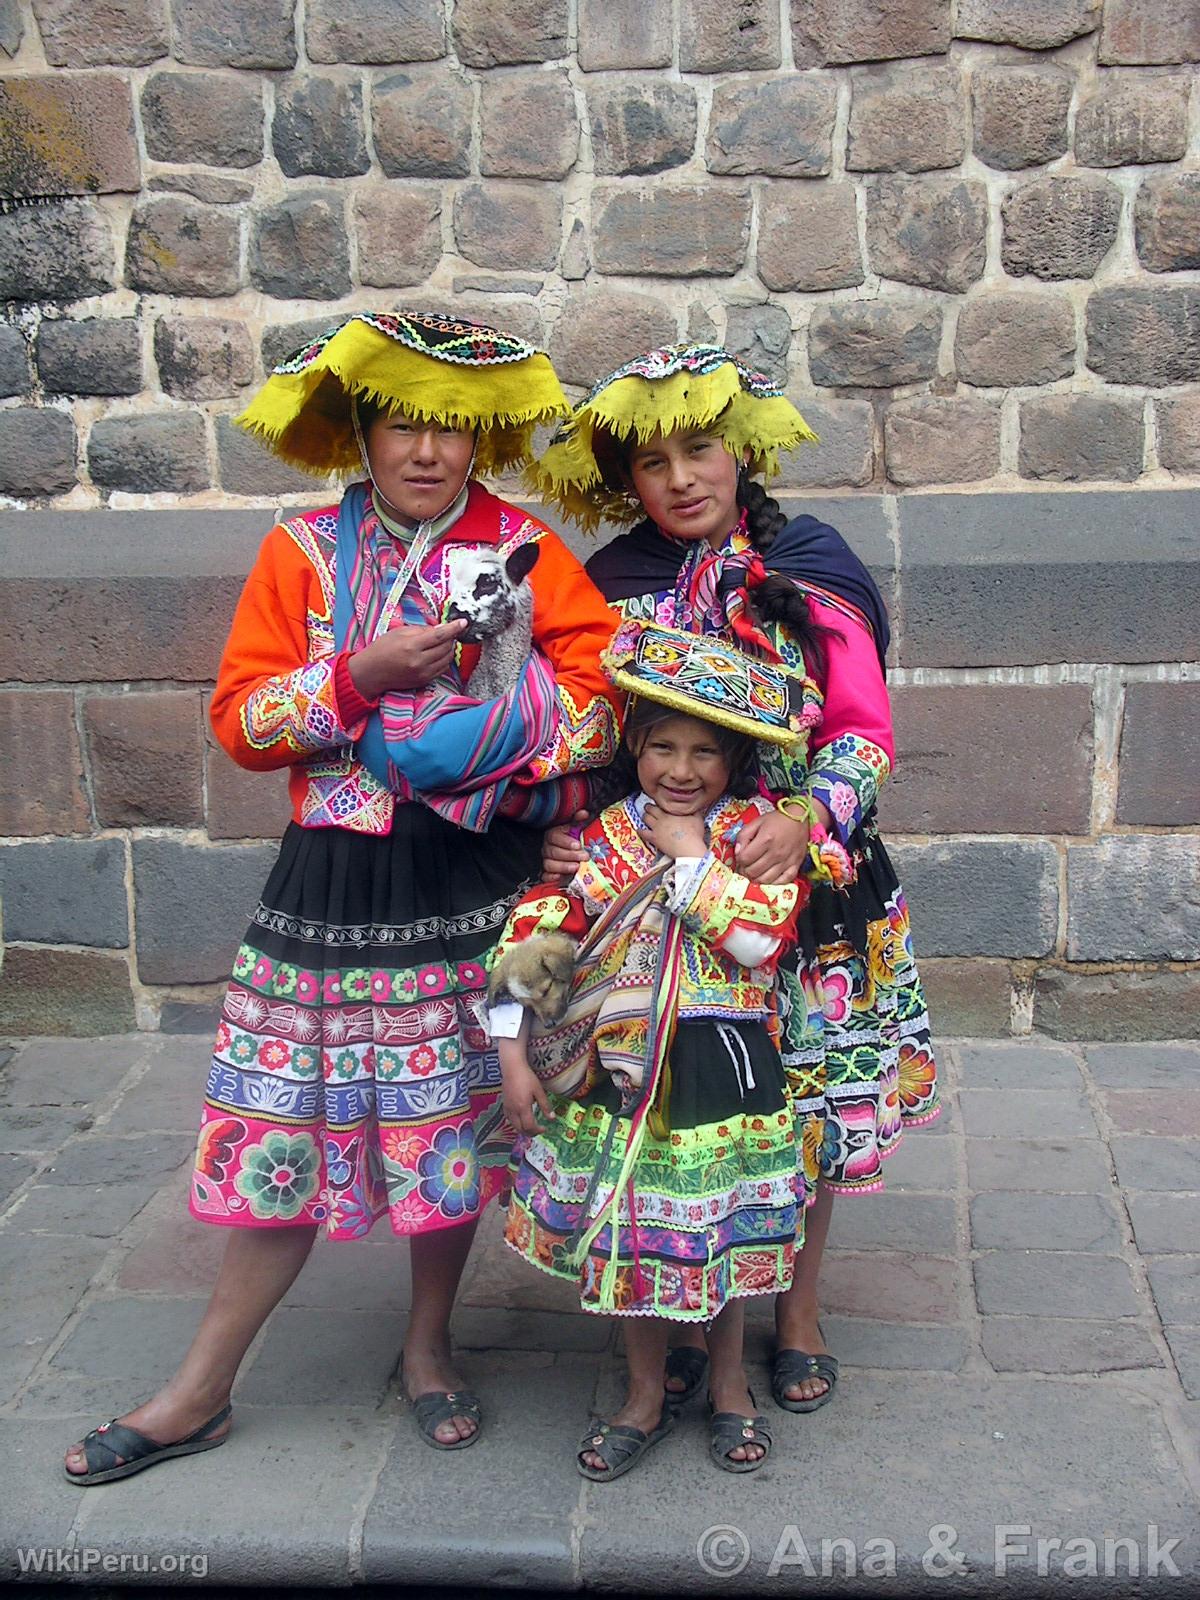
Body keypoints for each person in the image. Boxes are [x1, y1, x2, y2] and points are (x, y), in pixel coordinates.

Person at [64, 310, 622, 1483]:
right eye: (400, 423)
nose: (426, 450)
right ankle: (203, 1384)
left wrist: (490, 737)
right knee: (285, 1120)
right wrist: (355, 680)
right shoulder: (302, 552)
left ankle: (428, 1346)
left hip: (474, 881)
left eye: (451, 429)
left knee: (454, 1120)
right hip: (332, 881)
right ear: (361, 432)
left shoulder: (526, 549)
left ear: (478, 443)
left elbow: (603, 699)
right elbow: (241, 722)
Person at [531, 344, 941, 1417]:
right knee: (683, 1105)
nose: (681, 478)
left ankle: (794, 1310)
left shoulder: (811, 564)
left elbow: (860, 729)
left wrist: (806, 816)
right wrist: (575, 834)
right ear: (628, 481)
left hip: (807, 888)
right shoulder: (611, 587)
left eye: (699, 448)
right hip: (658, 897)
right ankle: (678, 1290)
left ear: (739, 448)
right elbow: (588, 736)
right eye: (653, 462)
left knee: (805, 1100)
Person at [488, 627, 813, 1476]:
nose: (681, 769)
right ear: (634, 745)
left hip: (721, 1071)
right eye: (663, 746)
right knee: (632, 1236)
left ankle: (731, 1385)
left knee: (722, 1231)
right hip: (627, 1075)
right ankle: (641, 1392)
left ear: (733, 759)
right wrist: (513, 1057)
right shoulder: (602, 839)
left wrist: (692, 860)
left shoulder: (756, 837)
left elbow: (757, 942)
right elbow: (545, 935)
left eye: (705, 752)